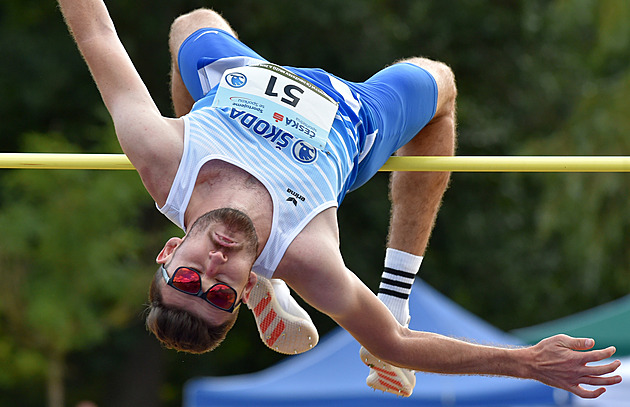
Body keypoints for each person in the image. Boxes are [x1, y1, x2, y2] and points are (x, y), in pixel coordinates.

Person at [57, 0, 622, 399]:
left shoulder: (161, 156)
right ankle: (397, 290)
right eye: (220, 290)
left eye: (186, 280)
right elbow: (395, 344)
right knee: (441, 85)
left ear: (169, 251)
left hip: (244, 77)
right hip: (358, 117)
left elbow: (97, 34)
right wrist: (525, 363)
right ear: (237, 291)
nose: (210, 268)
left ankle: (265, 286)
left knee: (193, 23)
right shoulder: (308, 256)